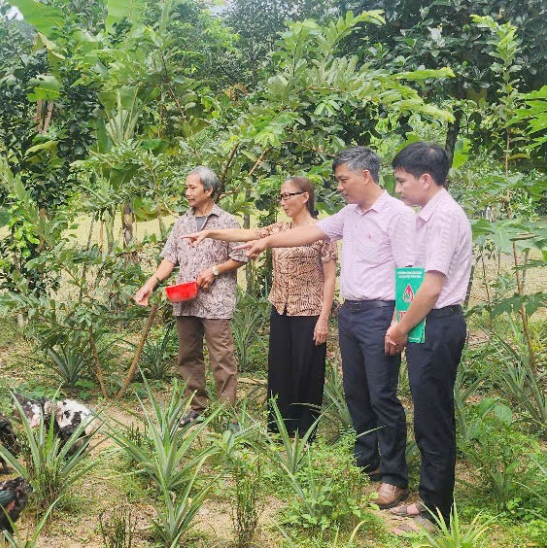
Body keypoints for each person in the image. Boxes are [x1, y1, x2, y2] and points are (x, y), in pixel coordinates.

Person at [229, 147, 417, 509]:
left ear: (365, 176)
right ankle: (367, 458)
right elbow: (308, 234)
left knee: (383, 395)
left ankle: (395, 476)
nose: (339, 187)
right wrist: (266, 241)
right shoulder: (350, 214)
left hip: (383, 313)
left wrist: (401, 322)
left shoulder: (398, 215)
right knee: (356, 391)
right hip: (352, 313)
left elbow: (409, 270)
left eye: (343, 179)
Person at [183, 176, 337, 438]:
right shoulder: (279, 229)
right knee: (280, 369)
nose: (283, 201)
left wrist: (324, 319)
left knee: (306, 371)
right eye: (281, 196)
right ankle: (278, 430)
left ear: (305, 197)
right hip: (280, 308)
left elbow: (331, 276)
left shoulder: (322, 232)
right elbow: (247, 234)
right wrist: (209, 232)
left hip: (309, 310)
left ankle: (304, 432)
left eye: (288, 195)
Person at [385, 142, 472, 534]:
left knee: (434, 419)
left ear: (425, 179)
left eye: (402, 181)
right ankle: (431, 497)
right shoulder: (429, 215)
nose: (398, 189)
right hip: (428, 324)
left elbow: (432, 287)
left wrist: (401, 328)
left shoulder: (443, 218)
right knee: (428, 413)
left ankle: (436, 515)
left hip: (436, 324)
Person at [133, 166, 247, 428]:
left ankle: (227, 415)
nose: (187, 193)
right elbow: (169, 259)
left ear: (208, 190)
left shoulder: (227, 221)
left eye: (192, 187)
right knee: (188, 355)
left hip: (216, 301)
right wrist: (150, 283)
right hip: (185, 299)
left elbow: (240, 257)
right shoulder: (182, 222)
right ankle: (197, 408)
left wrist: (215, 270)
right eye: (186, 187)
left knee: (222, 357)